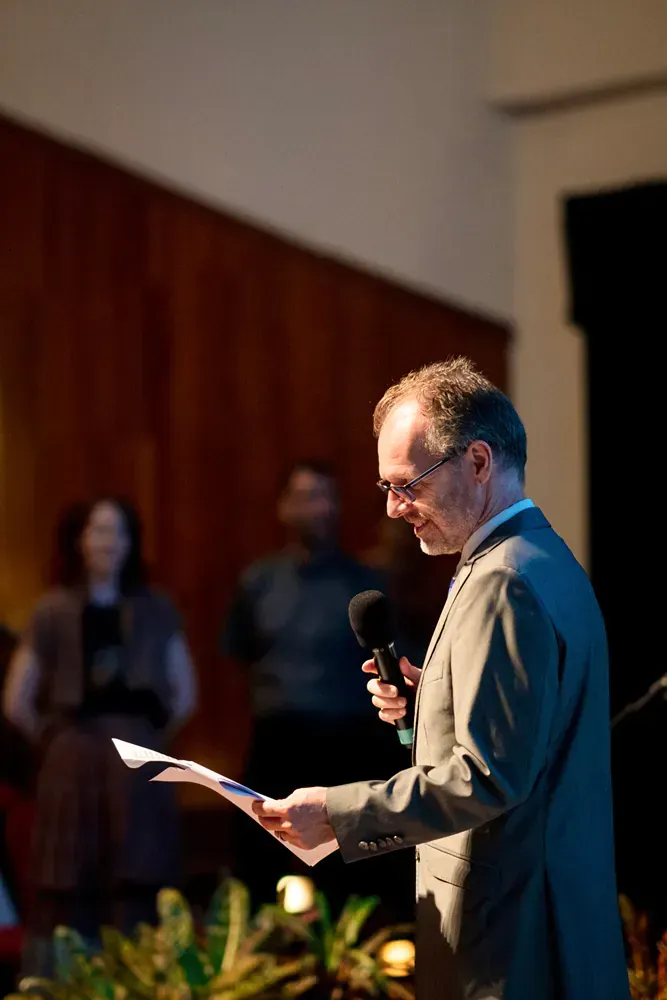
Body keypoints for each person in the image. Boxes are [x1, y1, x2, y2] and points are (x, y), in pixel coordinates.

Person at [252, 360, 630, 999]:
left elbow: (489, 778)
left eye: (408, 485)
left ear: (478, 462)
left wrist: (338, 815)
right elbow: (534, 736)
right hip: (543, 914)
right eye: (386, 488)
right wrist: (435, 703)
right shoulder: (543, 557)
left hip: (512, 939)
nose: (396, 509)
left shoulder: (502, 581)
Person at [2, 498, 197, 974]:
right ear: (78, 540)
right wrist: (57, 744)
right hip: (71, 763)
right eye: (97, 531)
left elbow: (183, 695)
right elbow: (16, 702)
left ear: (131, 542)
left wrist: (145, 739)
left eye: (118, 532)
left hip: (137, 765)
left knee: (140, 876)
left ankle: (142, 981)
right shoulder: (51, 609)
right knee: (69, 882)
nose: (108, 543)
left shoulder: (156, 609)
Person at [221, 460, 406, 909]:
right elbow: (238, 655)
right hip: (276, 746)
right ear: (285, 507)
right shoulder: (259, 582)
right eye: (304, 497)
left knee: (351, 886)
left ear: (337, 507)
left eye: (324, 496)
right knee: (264, 880)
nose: (315, 508)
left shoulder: (365, 584)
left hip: (349, 747)